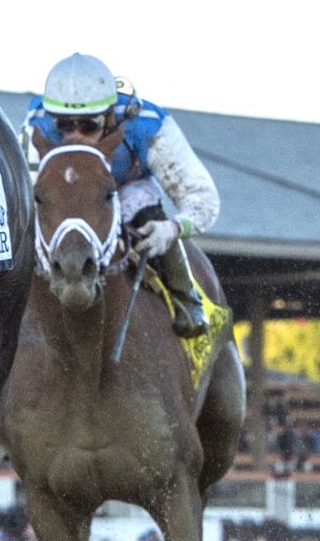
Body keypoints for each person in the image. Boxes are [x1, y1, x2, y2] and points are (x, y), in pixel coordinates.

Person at [25, 54, 220, 337]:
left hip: (128, 190)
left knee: (143, 202)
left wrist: (171, 228)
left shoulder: (149, 126)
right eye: (65, 125)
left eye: (89, 125)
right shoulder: (37, 122)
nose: (76, 135)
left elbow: (203, 198)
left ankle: (185, 297)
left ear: (109, 115)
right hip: (67, 198)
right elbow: (28, 196)